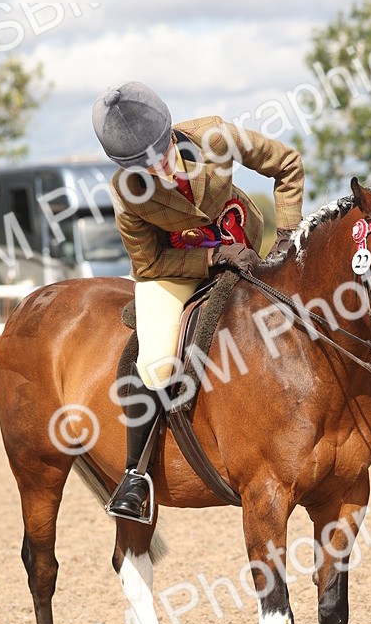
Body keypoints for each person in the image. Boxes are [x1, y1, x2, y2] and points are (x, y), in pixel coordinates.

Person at [92, 80, 304, 520]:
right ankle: (135, 476)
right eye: (142, 167)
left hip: (244, 239)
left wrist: (285, 240)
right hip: (171, 270)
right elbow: (147, 265)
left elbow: (287, 165)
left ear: (171, 132)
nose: (158, 171)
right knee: (156, 362)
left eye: (160, 155)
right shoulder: (124, 192)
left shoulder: (216, 138)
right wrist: (210, 257)